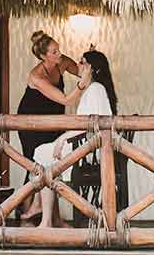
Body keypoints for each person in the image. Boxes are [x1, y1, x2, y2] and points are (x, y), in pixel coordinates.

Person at [33, 48, 118, 228]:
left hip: (90, 151)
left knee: (42, 154)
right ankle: (50, 217)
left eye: (82, 63)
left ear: (92, 69)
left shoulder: (96, 89)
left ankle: (46, 218)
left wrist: (62, 139)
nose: (77, 65)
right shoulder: (92, 89)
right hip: (87, 147)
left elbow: (92, 126)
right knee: (44, 155)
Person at [16, 31, 91, 221]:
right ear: (43, 56)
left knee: (52, 165)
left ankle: (51, 216)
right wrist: (81, 85)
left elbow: (81, 71)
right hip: (31, 122)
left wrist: (88, 61)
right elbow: (66, 100)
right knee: (34, 166)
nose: (60, 54)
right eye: (54, 52)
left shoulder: (62, 62)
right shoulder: (37, 76)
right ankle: (25, 215)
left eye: (58, 50)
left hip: (53, 119)